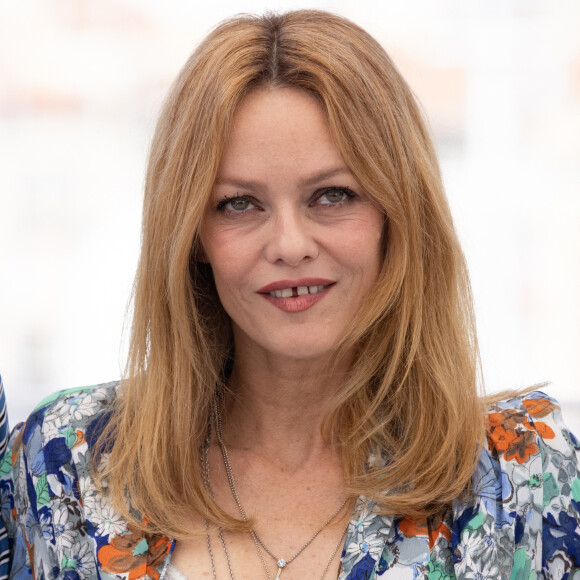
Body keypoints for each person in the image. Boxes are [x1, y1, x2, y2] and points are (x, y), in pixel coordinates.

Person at [1, 9, 579, 579]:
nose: (290, 244)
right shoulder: (67, 463)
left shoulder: (523, 468)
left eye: (332, 195)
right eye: (239, 204)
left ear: (396, 214)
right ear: (193, 236)